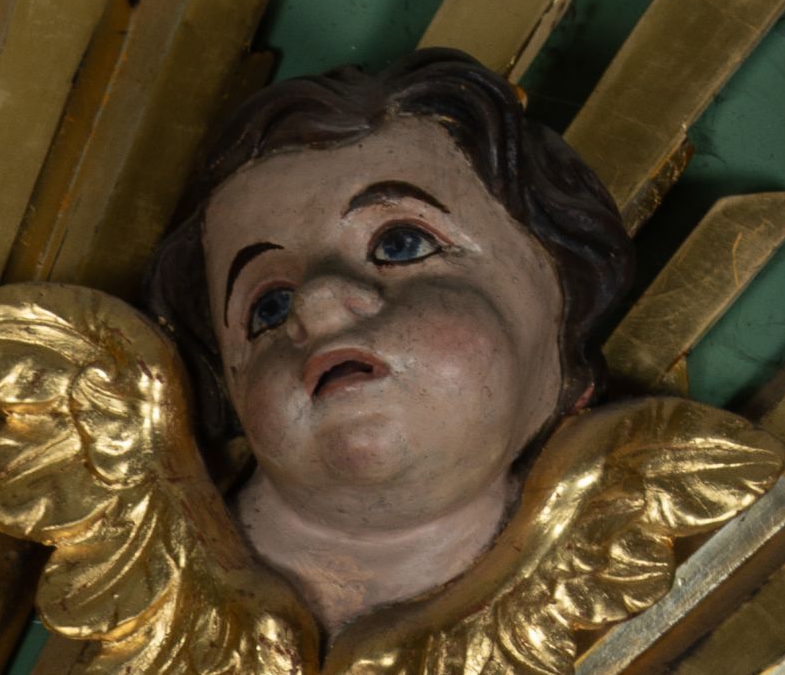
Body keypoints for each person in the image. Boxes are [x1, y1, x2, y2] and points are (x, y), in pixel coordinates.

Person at [141, 47, 641, 632]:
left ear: (556, 291)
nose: (317, 302)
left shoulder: (621, 530)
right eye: (268, 308)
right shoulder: (169, 598)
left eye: (400, 245)